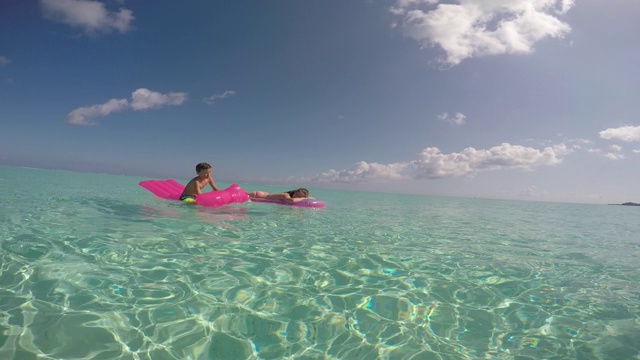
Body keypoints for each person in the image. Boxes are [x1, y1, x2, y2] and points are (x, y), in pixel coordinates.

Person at [246, 188, 314, 203]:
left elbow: (313, 198)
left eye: (299, 196)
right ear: (294, 192)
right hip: (258, 195)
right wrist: (303, 198)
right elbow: (291, 200)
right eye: (296, 194)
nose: (297, 196)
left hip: (262, 195)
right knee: (241, 193)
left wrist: (306, 198)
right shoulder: (285, 195)